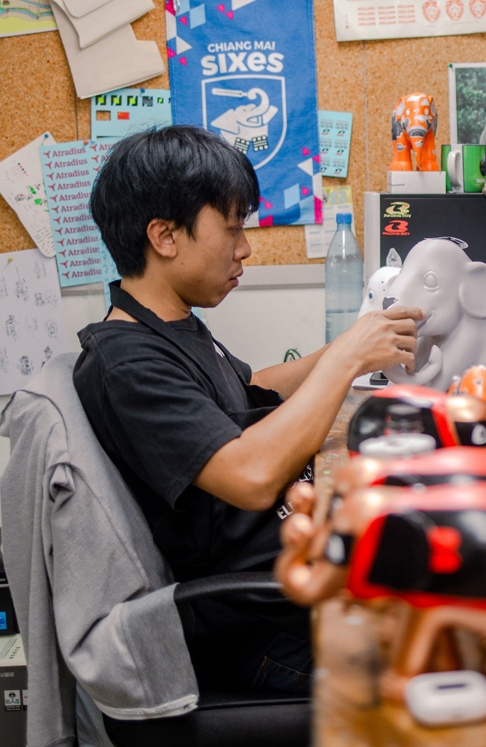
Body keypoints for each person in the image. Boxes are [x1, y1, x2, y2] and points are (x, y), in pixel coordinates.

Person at [73, 126, 421, 694]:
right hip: (261, 628)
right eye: (232, 227)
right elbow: (252, 476)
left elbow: (249, 388)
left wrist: (352, 348)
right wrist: (346, 360)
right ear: (164, 236)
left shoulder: (170, 328)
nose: (245, 247)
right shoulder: (126, 363)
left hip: (292, 577)